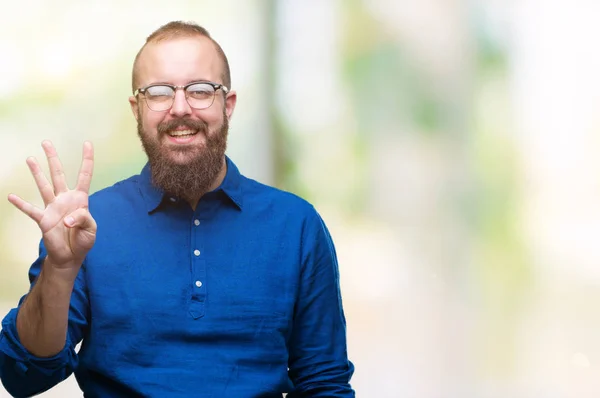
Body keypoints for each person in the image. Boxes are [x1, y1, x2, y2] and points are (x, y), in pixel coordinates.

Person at [0, 21, 355, 397]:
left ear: (228, 104)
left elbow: (324, 385)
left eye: (201, 90)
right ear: (137, 109)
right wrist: (59, 269)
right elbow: (25, 377)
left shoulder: (296, 226)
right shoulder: (85, 227)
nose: (180, 108)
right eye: (159, 92)